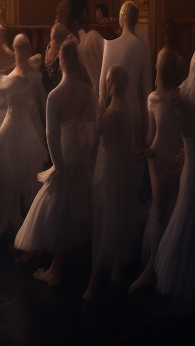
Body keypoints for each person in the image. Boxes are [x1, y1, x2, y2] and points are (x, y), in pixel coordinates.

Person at [15, 40, 94, 284]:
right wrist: (84, 153)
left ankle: (56, 269)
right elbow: (91, 130)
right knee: (71, 208)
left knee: (58, 211)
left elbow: (51, 135)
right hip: (78, 155)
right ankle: (57, 264)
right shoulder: (85, 90)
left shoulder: (56, 95)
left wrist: (58, 165)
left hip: (63, 156)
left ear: (61, 60)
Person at [0, 34, 50, 252]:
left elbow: (43, 103)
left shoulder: (27, 76)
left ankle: (23, 231)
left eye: (24, 50)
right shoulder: (17, 76)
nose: (22, 54)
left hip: (25, 131)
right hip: (12, 131)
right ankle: (11, 225)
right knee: (10, 182)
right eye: (19, 50)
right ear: (15, 51)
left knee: (23, 181)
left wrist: (47, 128)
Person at [88, 65, 146, 300]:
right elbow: (132, 146)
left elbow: (100, 136)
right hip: (125, 167)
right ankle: (117, 266)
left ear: (112, 85)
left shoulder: (110, 114)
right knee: (120, 210)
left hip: (110, 166)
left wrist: (100, 111)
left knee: (106, 212)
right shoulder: (130, 112)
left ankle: (101, 268)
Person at [134, 47, 185, 293]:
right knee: (158, 211)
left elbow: (185, 131)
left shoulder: (180, 96)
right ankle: (152, 266)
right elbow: (151, 135)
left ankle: (168, 264)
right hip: (156, 159)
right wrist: (144, 150)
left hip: (175, 162)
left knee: (173, 212)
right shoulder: (153, 98)